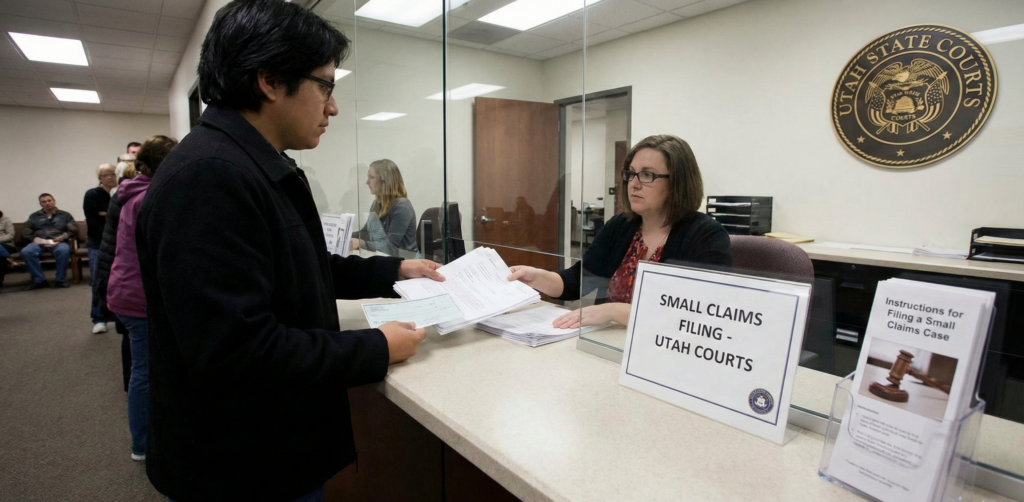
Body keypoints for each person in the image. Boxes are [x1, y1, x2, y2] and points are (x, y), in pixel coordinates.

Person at [134, 1, 442, 499]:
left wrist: (394, 270)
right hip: (240, 470)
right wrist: (376, 347)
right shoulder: (210, 178)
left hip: (264, 453)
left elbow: (298, 267)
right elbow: (238, 353)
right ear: (271, 81)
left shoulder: (251, 162)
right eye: (326, 86)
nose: (333, 108)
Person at [508, 134, 732, 328]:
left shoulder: (705, 235)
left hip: (665, 349)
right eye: (631, 173)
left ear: (677, 183)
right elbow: (579, 280)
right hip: (606, 341)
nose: (634, 183)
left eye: (647, 175)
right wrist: (538, 277)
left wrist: (613, 311)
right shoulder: (620, 226)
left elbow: (701, 314)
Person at [107, 135, 178, 462]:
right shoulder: (150, 197)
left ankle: (148, 437)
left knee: (146, 369)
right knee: (145, 372)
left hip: (127, 291)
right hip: (138, 298)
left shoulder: (134, 192)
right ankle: (142, 443)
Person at [351, 159, 419, 257]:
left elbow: (390, 247)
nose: (367, 182)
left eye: (371, 177)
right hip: (385, 258)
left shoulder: (402, 206)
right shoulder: (377, 204)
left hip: (406, 260)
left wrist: (360, 243)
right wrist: (345, 235)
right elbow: (366, 234)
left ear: (385, 181)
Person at [84, 164, 118, 333]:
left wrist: (105, 214)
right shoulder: (92, 195)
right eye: (105, 175)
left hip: (118, 244)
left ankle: (118, 317)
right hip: (98, 244)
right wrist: (109, 216)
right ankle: (99, 319)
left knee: (118, 281)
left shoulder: (119, 193)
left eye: (112, 174)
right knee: (99, 281)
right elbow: (94, 222)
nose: (110, 177)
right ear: (100, 179)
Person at [22, 193, 78, 290]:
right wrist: (34, 239)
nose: (47, 203)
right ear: (41, 204)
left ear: (54, 201)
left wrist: (62, 237)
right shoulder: (34, 216)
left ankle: (60, 280)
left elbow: (73, 230)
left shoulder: (65, 215)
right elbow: (26, 231)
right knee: (26, 252)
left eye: (49, 201)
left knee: (64, 250)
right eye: (44, 202)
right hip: (39, 242)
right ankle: (39, 280)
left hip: (58, 242)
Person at [0, 210, 14, 290]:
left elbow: (10, 235)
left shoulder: (6, 220)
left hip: (7, 244)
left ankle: (8, 259)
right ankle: (9, 260)